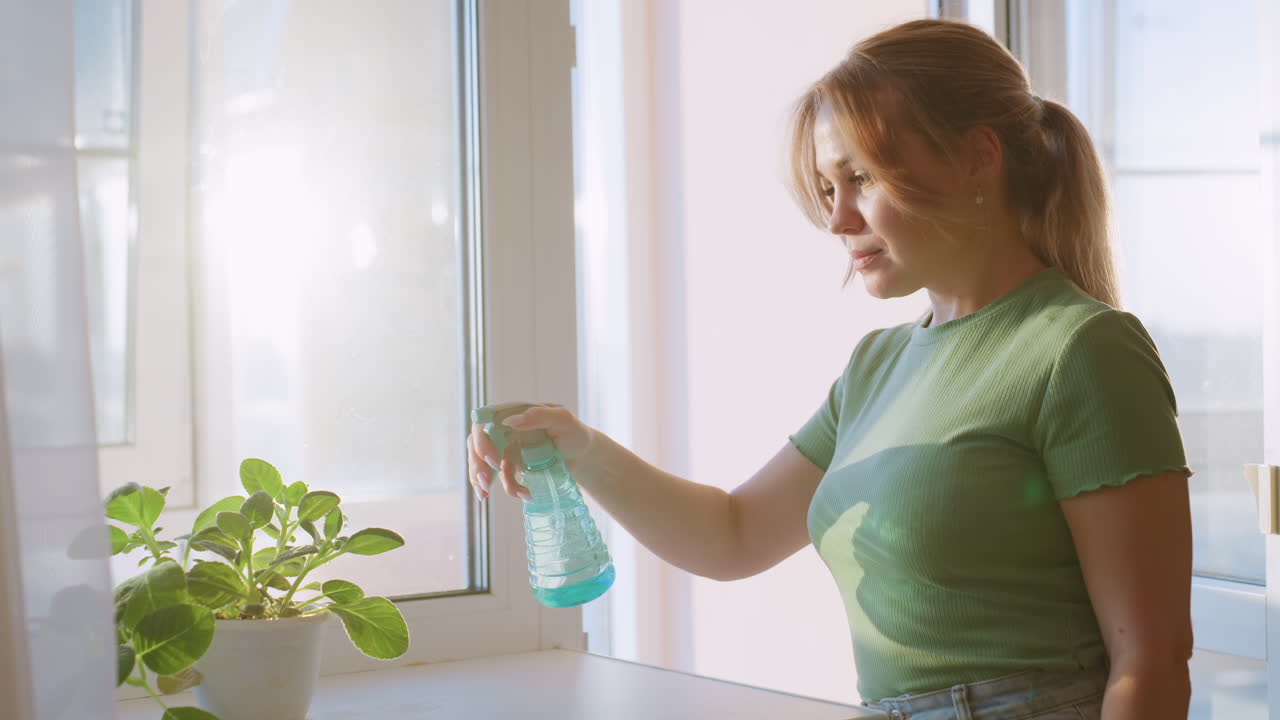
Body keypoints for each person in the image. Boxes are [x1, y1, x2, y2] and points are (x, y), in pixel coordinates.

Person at [467, 18, 1193, 720]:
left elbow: (1151, 664)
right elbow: (733, 534)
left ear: (979, 156)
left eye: (862, 178)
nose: (838, 220)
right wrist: (579, 446)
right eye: (826, 189)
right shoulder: (877, 367)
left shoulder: (1082, 351)